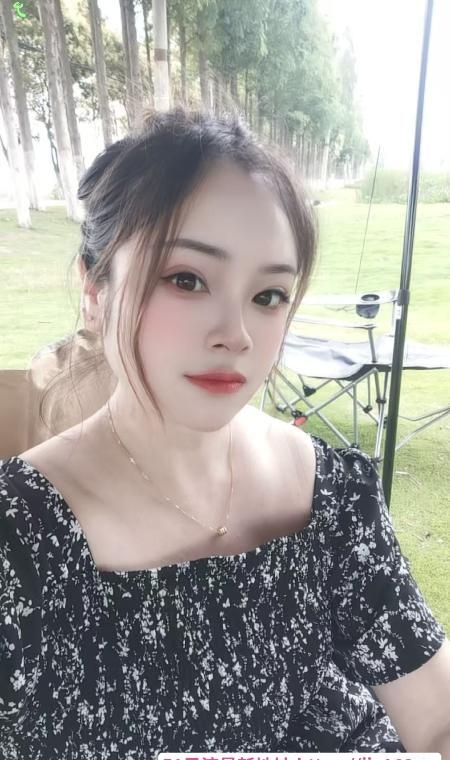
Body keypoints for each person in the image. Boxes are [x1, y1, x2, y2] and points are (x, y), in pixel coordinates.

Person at [0, 106, 449, 759]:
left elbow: (435, 717)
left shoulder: (333, 494)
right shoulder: (18, 534)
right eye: (187, 279)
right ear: (95, 291)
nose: (236, 335)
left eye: (269, 295)